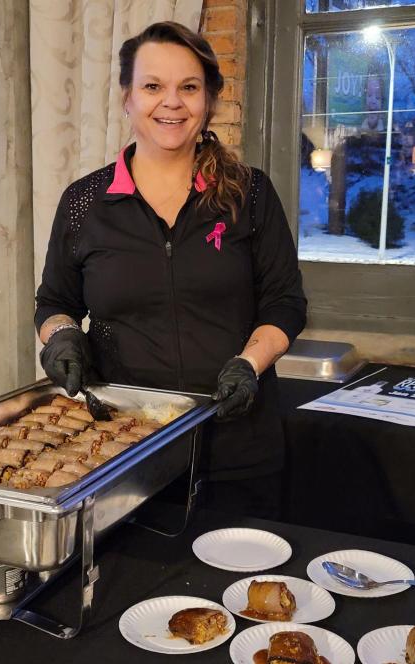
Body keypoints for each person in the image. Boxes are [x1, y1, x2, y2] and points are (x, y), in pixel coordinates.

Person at [35, 22, 307, 518]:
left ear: (209, 99)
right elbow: (55, 302)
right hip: (121, 452)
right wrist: (60, 336)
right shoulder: (84, 203)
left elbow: (284, 303)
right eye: (153, 86)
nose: (172, 102)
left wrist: (249, 364)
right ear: (127, 97)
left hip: (238, 448)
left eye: (189, 87)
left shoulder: (250, 193)